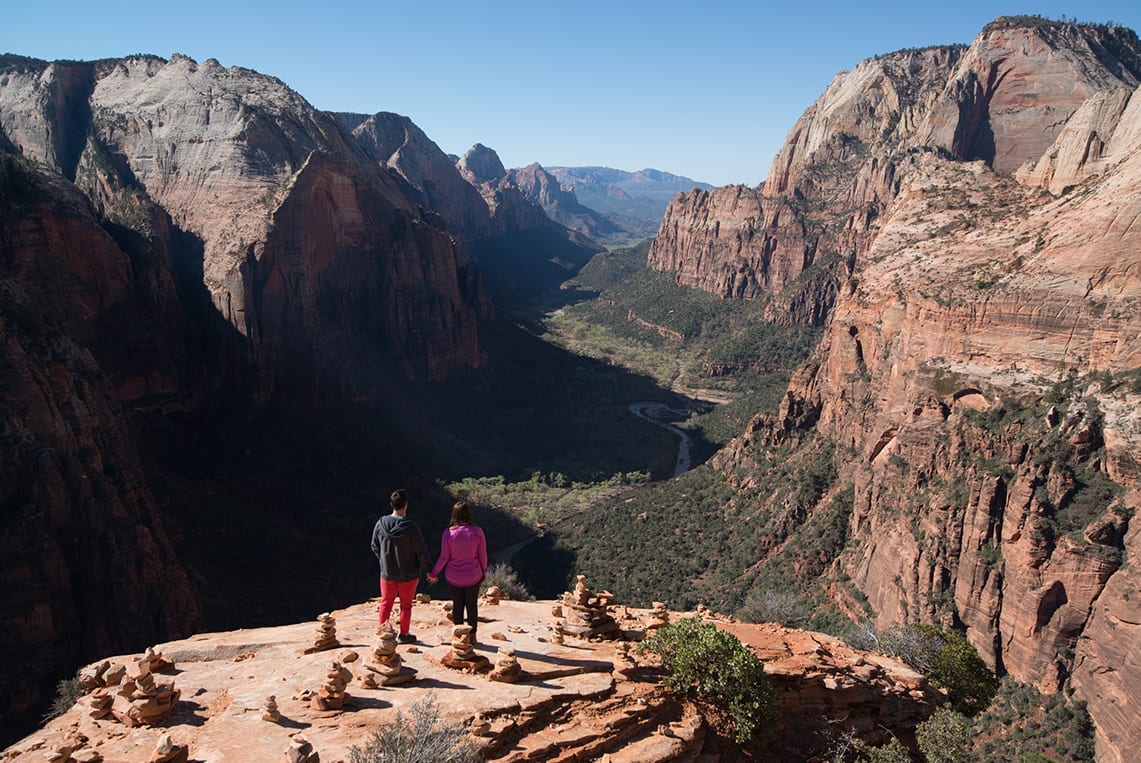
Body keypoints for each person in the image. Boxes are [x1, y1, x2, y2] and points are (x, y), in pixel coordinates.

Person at [370, 488, 431, 643]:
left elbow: (374, 545)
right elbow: (421, 551)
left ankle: (382, 634)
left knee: (386, 603)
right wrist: (428, 569)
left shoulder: (381, 523)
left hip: (387, 572)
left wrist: (383, 559)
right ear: (406, 505)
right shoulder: (411, 527)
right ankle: (404, 635)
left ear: (391, 504)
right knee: (406, 606)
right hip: (409, 574)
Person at [428, 501, 488, 642]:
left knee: (458, 604)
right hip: (473, 575)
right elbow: (483, 555)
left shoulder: (448, 533)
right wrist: (483, 571)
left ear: (454, 514)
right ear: (468, 514)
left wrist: (434, 573)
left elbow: (444, 557)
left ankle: (459, 636)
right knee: (471, 605)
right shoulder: (477, 532)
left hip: (453, 576)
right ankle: (472, 636)